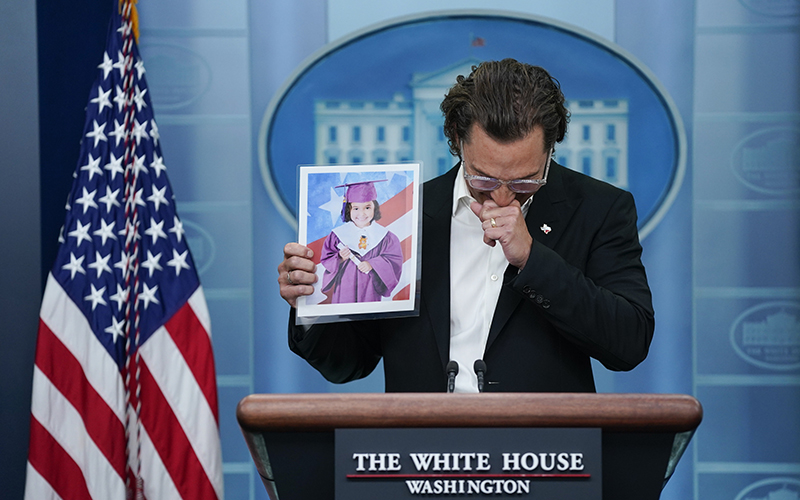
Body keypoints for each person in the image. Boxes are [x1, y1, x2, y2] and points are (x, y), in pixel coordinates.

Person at [278, 58, 654, 393]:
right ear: (457, 139)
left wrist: (533, 260)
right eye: (485, 179)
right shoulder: (405, 218)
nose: (505, 198)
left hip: (547, 454)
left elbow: (629, 343)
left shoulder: (599, 208)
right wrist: (310, 305)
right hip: (421, 453)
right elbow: (348, 364)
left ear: (551, 148)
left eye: (525, 182)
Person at [319, 180, 404, 303]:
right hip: (344, 287)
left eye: (367, 207)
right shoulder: (337, 235)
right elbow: (327, 258)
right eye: (356, 208)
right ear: (348, 209)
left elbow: (394, 261)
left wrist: (372, 264)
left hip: (370, 288)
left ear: (375, 208)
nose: (362, 213)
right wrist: (340, 257)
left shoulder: (387, 237)